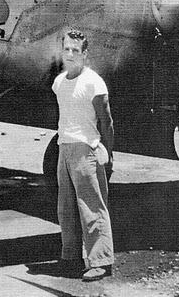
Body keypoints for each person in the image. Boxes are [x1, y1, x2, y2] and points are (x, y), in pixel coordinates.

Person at [51, 29, 115, 282]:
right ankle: (70, 256)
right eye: (66, 49)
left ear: (85, 54)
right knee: (65, 209)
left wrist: (107, 151)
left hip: (85, 150)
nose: (70, 54)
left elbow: (106, 121)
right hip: (64, 147)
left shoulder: (93, 82)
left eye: (75, 50)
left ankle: (101, 261)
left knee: (92, 207)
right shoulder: (59, 82)